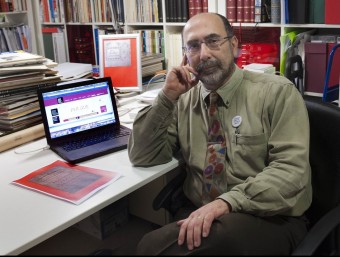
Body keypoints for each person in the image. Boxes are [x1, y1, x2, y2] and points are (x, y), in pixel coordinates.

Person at [128, 12, 312, 255]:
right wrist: (166, 97)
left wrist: (227, 202)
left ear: (233, 45)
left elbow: (291, 172)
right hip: (201, 212)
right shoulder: (183, 98)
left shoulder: (277, 94)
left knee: (151, 247)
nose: (204, 54)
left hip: (270, 217)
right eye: (194, 46)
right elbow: (143, 155)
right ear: (186, 54)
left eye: (214, 41)